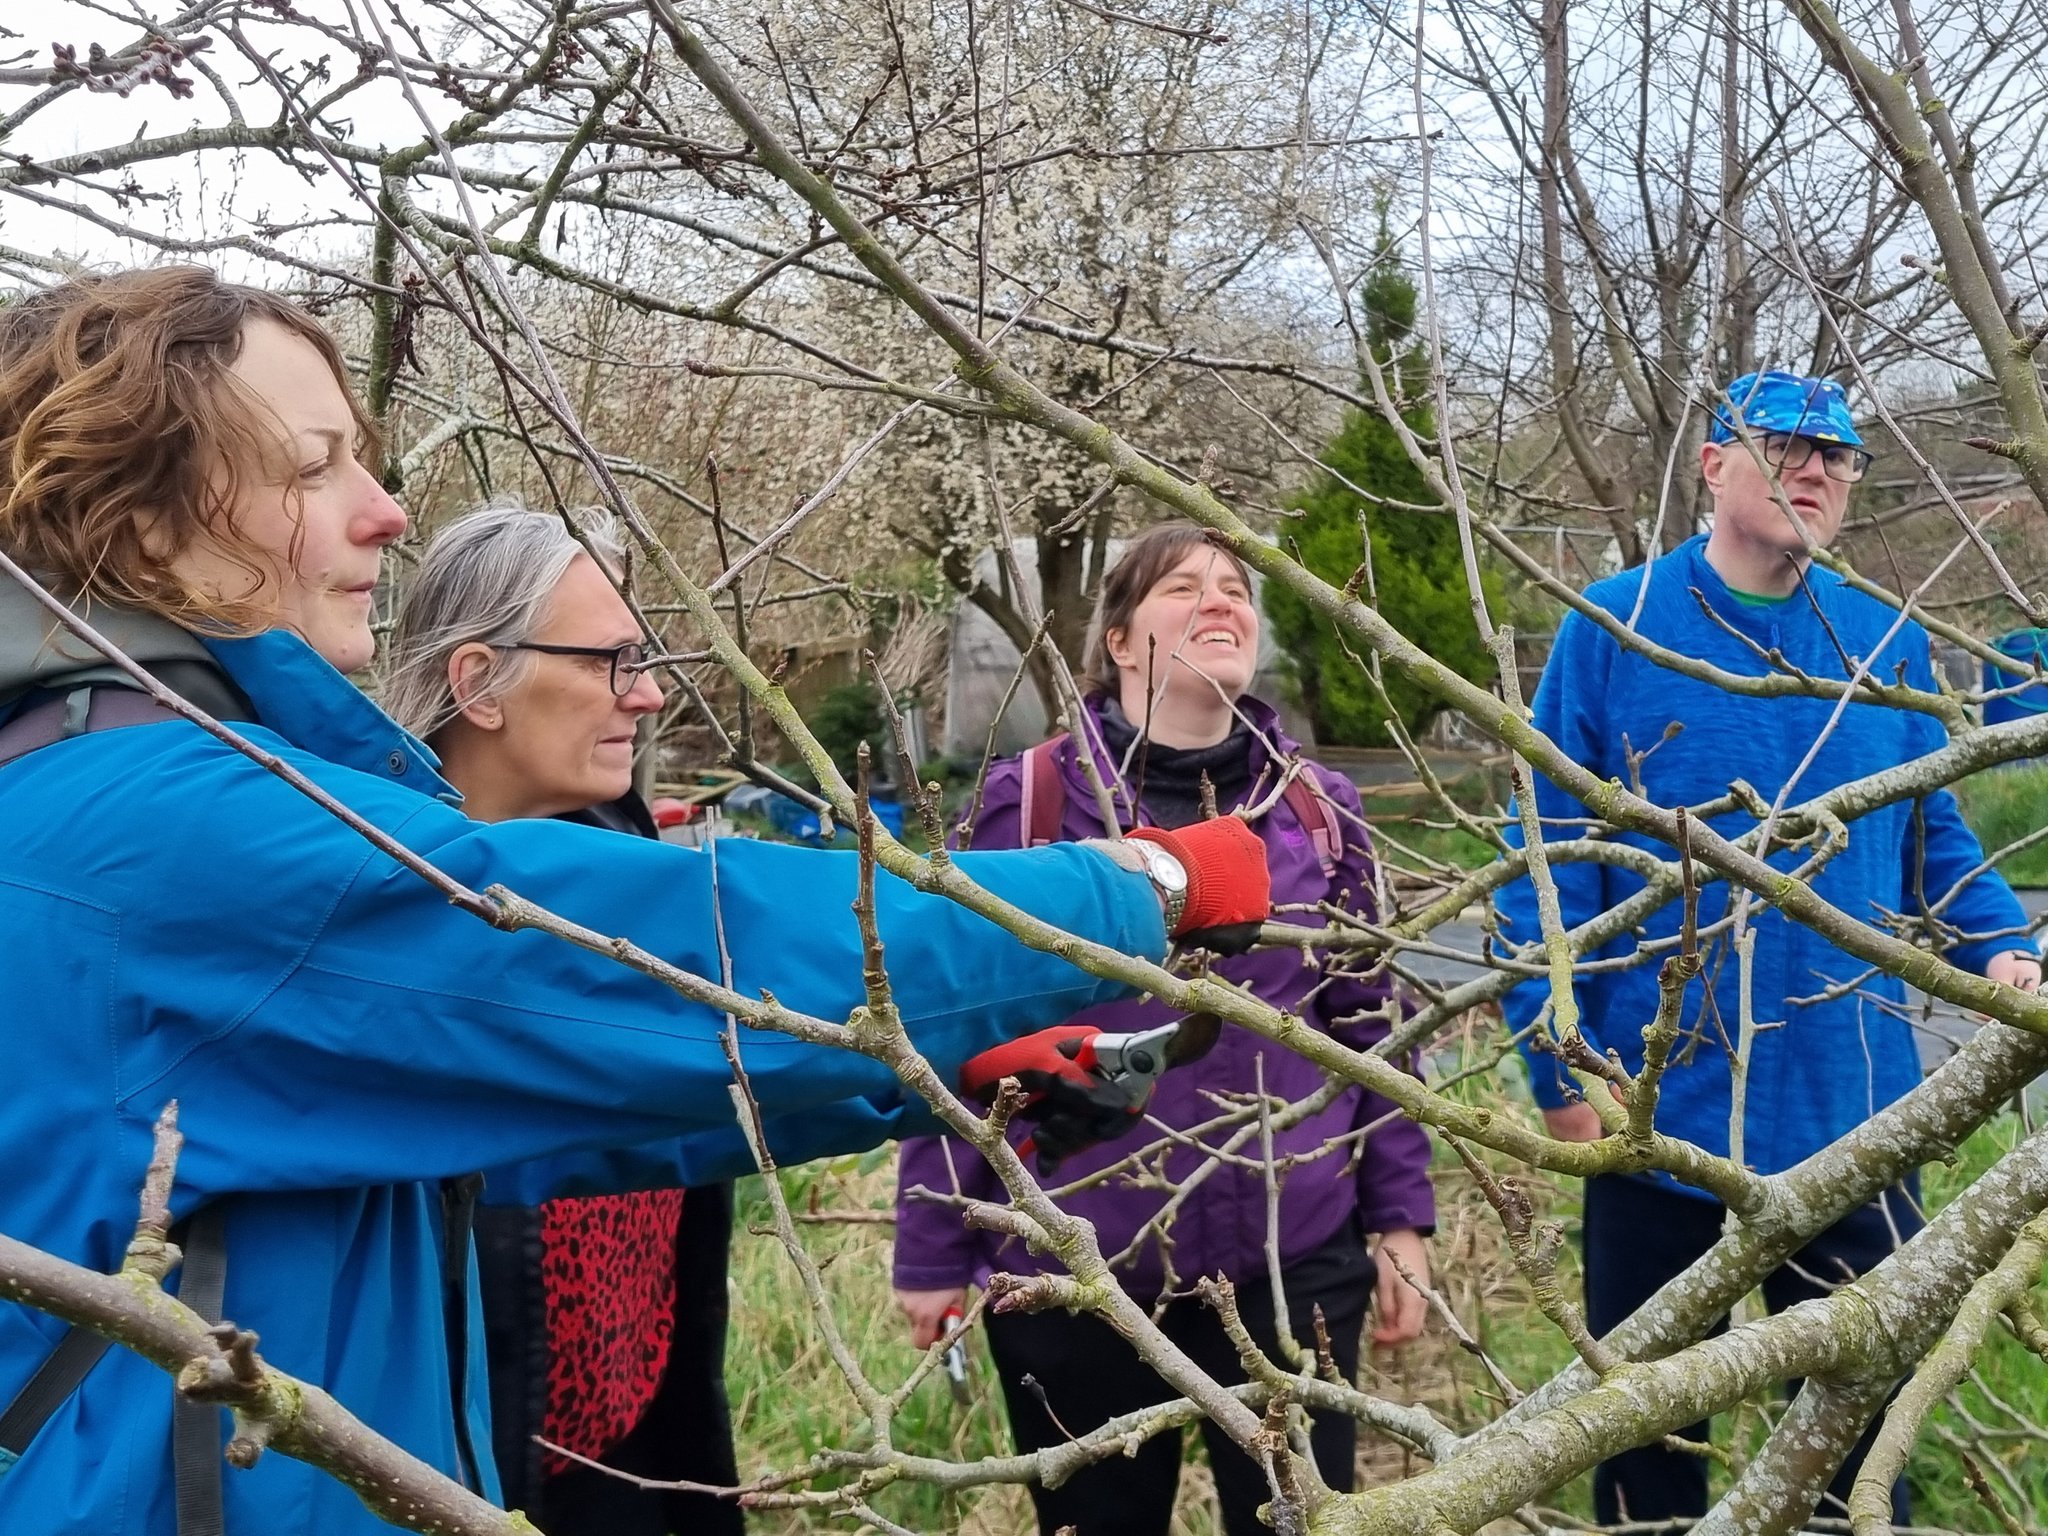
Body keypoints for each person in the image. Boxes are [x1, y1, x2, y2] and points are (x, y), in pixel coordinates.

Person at [0, 266, 1274, 1536]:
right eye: (311, 465)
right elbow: (672, 951)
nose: (384, 512)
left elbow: (494, 1142)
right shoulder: (163, 830)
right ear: (140, 517)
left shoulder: (88, 793)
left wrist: (892, 1077)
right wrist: (1139, 883)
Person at [1497, 370, 2043, 1526]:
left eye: (1837, 457)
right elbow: (1544, 863)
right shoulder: (1611, 629)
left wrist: (2001, 946)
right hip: (1656, 1127)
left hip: (1854, 1120)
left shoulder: (1878, 639)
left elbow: (1926, 828)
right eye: (1786, 444)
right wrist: (1559, 1077)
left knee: (1854, 1455)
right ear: (1711, 464)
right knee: (1643, 1453)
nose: (1815, 468)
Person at [891, 523, 1436, 1536]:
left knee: (1302, 1522)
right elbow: (948, 1041)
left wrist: (1398, 1218)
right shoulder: (1023, 806)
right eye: (1183, 587)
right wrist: (932, 1246)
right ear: (1120, 640)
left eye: (1235, 587)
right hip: (1078, 1265)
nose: (1222, 600)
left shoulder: (1321, 809)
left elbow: (1371, 1024)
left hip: (1294, 1253)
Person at [382, 504, 739, 1536]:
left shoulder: (634, 900)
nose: (650, 690)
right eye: (609, 659)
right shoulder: (386, 926)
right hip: (465, 1485)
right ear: (476, 682)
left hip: (637, 1469)